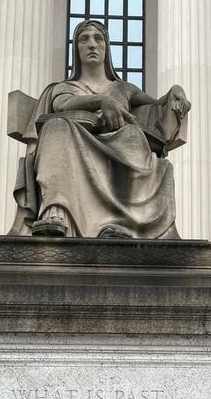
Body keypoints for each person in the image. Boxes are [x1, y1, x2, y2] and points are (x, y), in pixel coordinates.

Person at [11, 19, 191, 239]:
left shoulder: (124, 88)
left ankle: (120, 224)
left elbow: (158, 105)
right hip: (73, 144)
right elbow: (63, 105)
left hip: (120, 149)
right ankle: (56, 212)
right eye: (84, 39)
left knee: (132, 134)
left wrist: (177, 91)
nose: (92, 45)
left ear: (107, 48)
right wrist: (100, 102)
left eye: (98, 39)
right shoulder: (63, 88)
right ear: (76, 50)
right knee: (56, 127)